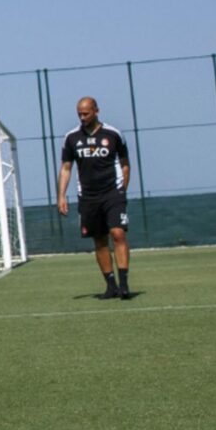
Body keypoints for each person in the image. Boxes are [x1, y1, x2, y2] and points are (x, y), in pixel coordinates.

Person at [57, 96, 136, 299]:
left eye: (86, 113)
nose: (82, 117)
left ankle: (125, 285)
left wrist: (122, 191)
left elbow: (125, 163)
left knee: (118, 234)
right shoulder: (71, 138)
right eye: (79, 114)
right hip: (88, 197)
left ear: (96, 111)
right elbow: (66, 168)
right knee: (99, 240)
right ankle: (111, 286)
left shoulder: (114, 134)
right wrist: (61, 196)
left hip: (112, 193)